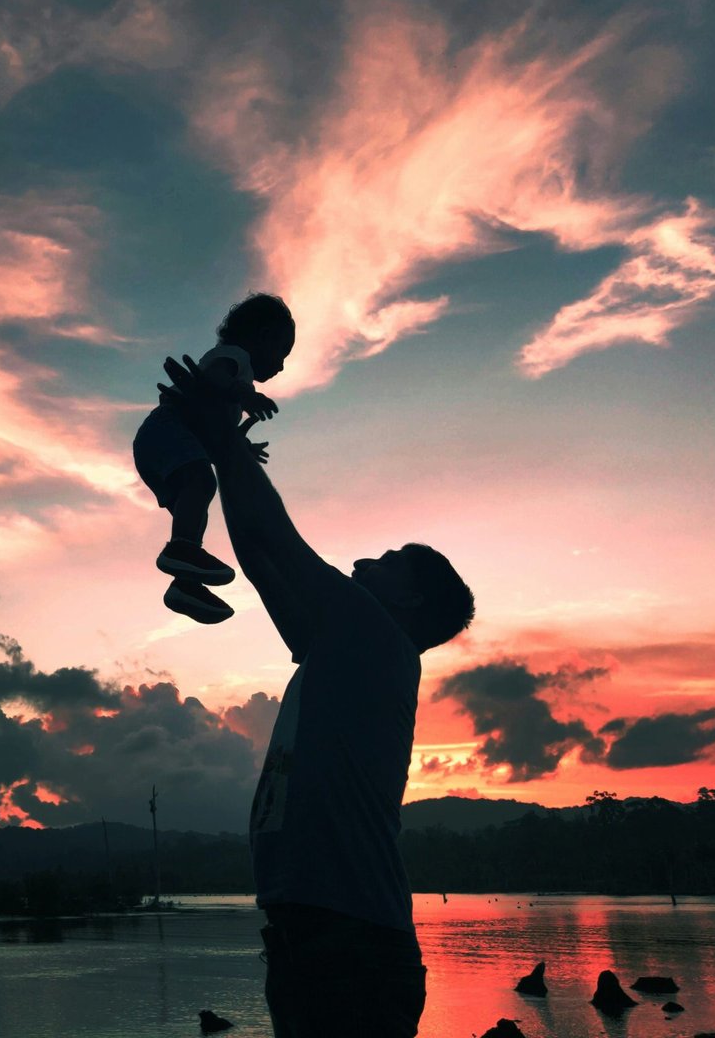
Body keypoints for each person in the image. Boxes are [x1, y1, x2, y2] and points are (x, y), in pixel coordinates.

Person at [158, 354, 475, 1038]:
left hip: (350, 944)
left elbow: (277, 539)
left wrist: (221, 436)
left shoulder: (378, 638)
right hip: (315, 939)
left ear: (411, 599)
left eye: (387, 562)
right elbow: (262, 558)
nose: (365, 562)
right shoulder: (345, 649)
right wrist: (220, 447)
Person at [133, 293, 295, 625]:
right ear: (260, 337)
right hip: (166, 429)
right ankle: (180, 551)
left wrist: (242, 448)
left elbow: (213, 426)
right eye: (281, 352)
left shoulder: (238, 372)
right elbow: (214, 378)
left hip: (165, 440)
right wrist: (245, 394)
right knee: (202, 483)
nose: (280, 365)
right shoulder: (233, 358)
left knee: (197, 504)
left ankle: (185, 584)